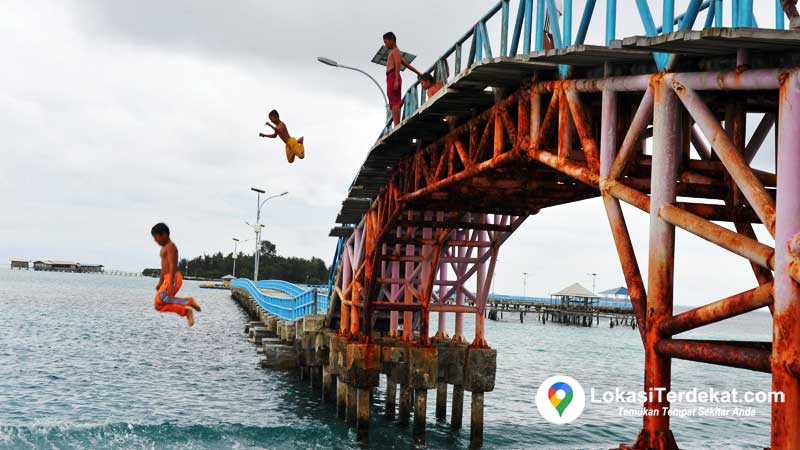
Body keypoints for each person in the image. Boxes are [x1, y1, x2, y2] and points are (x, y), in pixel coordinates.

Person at [151, 223, 201, 327]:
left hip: (173, 277)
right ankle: (186, 311)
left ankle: (189, 301)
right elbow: (164, 267)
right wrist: (160, 282)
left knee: (162, 299)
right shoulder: (163, 248)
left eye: (156, 237)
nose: (155, 241)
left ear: (164, 235)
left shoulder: (171, 247)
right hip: (167, 278)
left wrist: (170, 283)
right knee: (158, 305)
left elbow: (173, 264)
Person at [383, 31, 420, 126]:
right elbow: (407, 65)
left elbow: (398, 65)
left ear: (392, 40)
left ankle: (396, 124)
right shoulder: (395, 52)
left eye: (386, 41)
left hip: (393, 76)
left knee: (394, 102)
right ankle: (396, 123)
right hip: (391, 77)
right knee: (393, 102)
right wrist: (418, 72)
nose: (385, 44)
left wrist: (396, 80)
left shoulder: (395, 51)